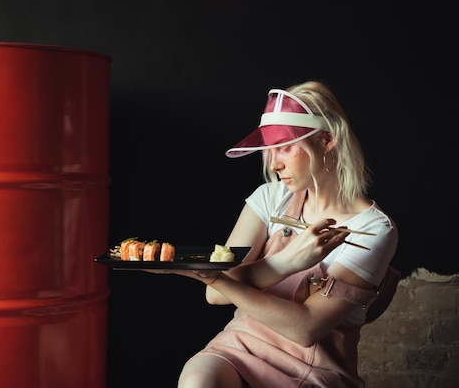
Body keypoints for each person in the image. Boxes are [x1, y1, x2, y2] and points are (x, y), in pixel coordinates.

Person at [153, 80, 398, 388]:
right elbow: (215, 295)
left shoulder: (373, 229)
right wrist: (287, 262)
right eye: (270, 150)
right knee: (197, 380)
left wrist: (217, 277)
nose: (274, 163)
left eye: (284, 147)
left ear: (326, 140)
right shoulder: (269, 198)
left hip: (314, 368)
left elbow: (306, 329)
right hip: (239, 347)